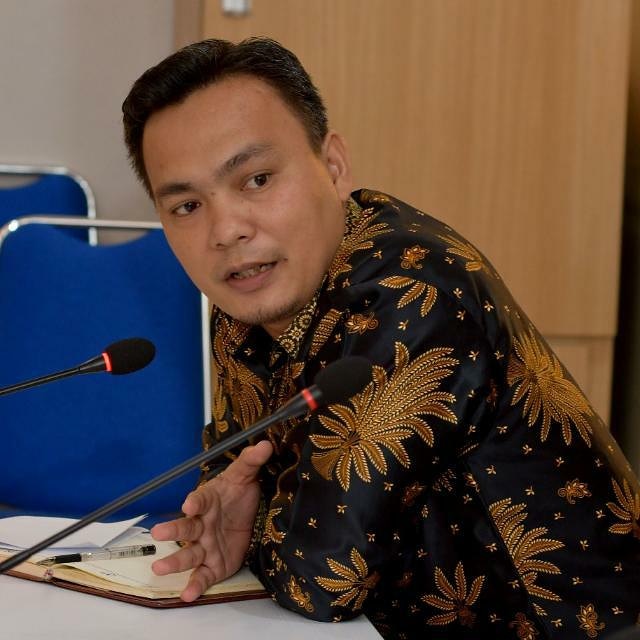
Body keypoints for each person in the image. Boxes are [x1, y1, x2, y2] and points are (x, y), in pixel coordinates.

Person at [122, 37, 640, 639]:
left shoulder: (415, 292)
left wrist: (256, 523)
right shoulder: (250, 295)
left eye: (257, 179)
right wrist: (251, 516)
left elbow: (324, 578)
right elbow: (239, 479)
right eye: (187, 206)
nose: (226, 230)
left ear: (334, 166)